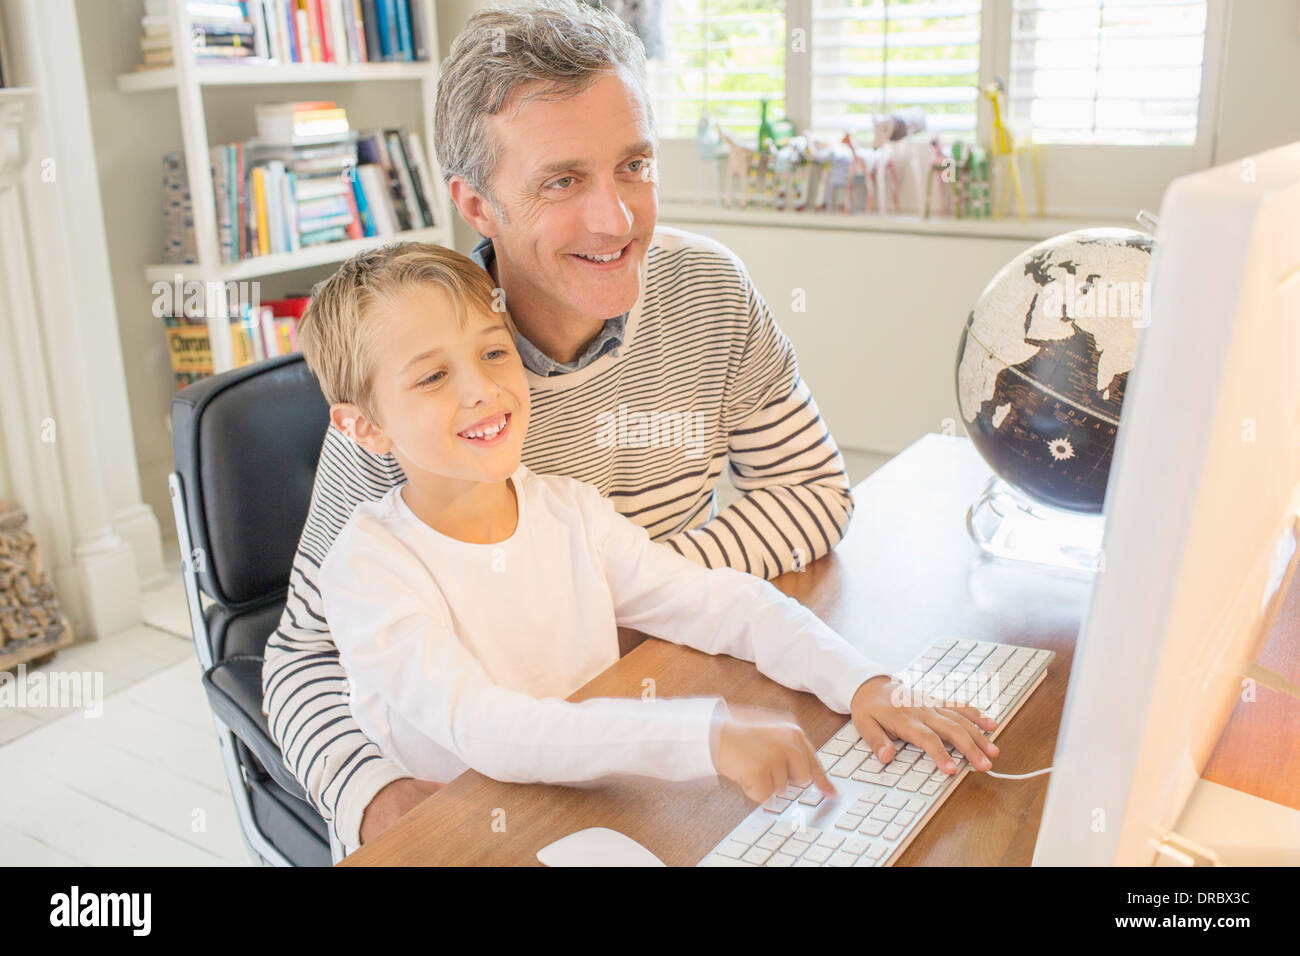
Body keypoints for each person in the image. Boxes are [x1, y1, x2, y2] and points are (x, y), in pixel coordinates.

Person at [262, 0, 998, 854]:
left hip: (624, 732)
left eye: (635, 164)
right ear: (477, 204)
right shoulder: (411, 391)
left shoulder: (701, 302)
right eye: (561, 180)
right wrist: (376, 801)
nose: (617, 220)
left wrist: (623, 589)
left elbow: (810, 495)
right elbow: (304, 657)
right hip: (485, 787)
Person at [297, 242, 998, 821]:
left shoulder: (571, 510)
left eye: (492, 353)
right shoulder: (370, 567)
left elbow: (726, 604)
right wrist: (705, 734)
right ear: (364, 426)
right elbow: (489, 730)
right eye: (431, 378)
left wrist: (864, 682)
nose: (481, 389)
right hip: (470, 830)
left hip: (587, 797)